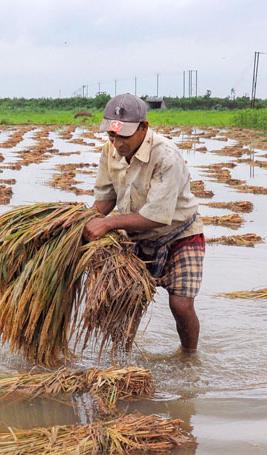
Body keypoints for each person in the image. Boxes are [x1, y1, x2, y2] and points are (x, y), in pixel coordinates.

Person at [83, 93, 204, 355]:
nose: (117, 143)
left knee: (181, 305)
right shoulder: (110, 150)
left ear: (144, 128)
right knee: (126, 298)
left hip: (179, 233)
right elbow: (106, 199)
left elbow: (156, 216)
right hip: (136, 234)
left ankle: (189, 357)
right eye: (111, 136)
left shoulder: (166, 156)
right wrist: (82, 220)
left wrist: (107, 225)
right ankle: (121, 356)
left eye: (124, 136)